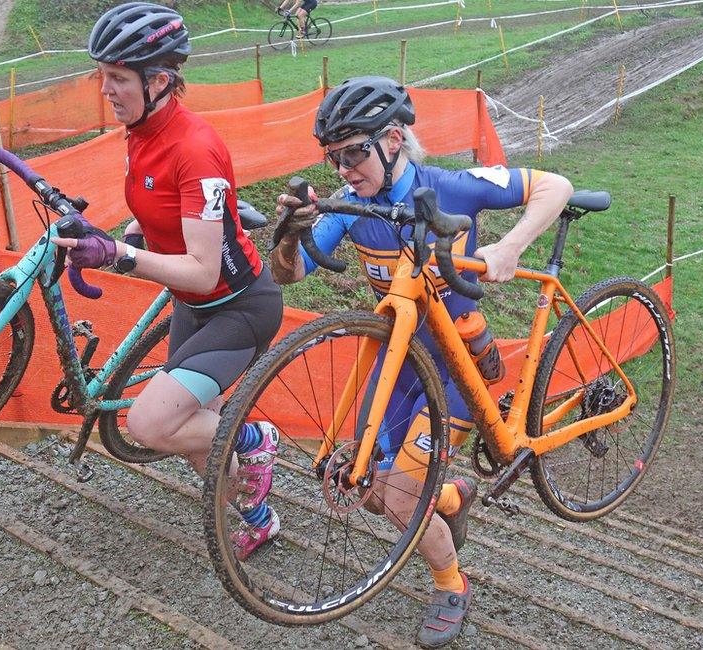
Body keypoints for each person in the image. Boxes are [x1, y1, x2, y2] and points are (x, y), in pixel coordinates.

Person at [270, 76, 573, 648]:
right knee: (370, 487)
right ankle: (453, 498)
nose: (343, 170)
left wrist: (509, 247)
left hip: (459, 364)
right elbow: (290, 274)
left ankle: (452, 583)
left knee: (403, 495)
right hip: (397, 363)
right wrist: (288, 237)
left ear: (394, 138)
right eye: (332, 158)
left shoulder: (453, 186)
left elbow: (555, 185)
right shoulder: (353, 205)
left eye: (354, 153)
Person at [51, 3, 284, 560]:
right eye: (102, 75)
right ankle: (258, 516)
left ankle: (254, 438)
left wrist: (118, 254)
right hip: (193, 305)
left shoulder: (195, 148)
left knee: (151, 424)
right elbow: (159, 210)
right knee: (189, 437)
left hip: (239, 308)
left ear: (159, 80)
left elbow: (204, 269)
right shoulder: (142, 128)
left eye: (117, 78)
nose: (105, 89)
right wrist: (115, 233)